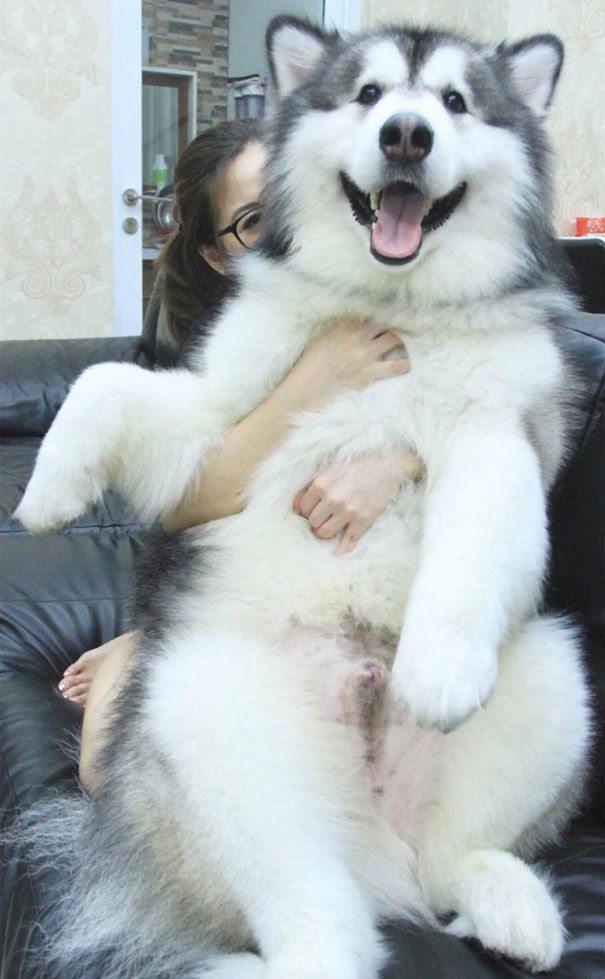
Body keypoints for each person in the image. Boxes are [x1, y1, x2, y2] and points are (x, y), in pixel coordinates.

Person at [56, 119, 422, 790]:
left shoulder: (399, 274)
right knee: (104, 775)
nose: (287, 231)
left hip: (342, 585)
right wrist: (318, 373)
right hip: (235, 574)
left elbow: (486, 404)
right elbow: (188, 503)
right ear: (218, 254)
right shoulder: (225, 336)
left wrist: (399, 463)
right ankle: (139, 644)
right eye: (255, 220)